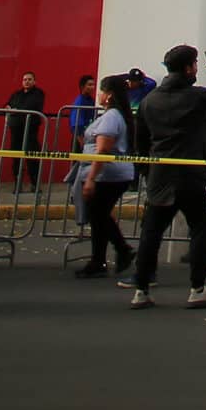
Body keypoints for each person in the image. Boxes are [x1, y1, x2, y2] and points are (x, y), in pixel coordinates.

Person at [131, 45, 206, 307]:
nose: (196, 68)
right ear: (188, 68)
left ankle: (141, 289)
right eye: (194, 64)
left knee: (152, 232)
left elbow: (141, 142)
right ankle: (197, 287)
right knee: (200, 228)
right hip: (190, 172)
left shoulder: (150, 101)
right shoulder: (196, 96)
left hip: (160, 174)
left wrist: (147, 173)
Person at [72, 75, 138, 278]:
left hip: (108, 175)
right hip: (109, 174)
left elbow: (103, 151)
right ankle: (99, 259)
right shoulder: (112, 115)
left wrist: (91, 178)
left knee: (98, 214)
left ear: (109, 95)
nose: (98, 95)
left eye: (101, 90)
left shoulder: (111, 117)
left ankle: (120, 249)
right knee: (99, 216)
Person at [5, 71, 48, 187]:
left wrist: (16, 110)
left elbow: (31, 106)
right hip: (16, 130)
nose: (27, 81)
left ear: (34, 81)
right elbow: (8, 105)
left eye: (29, 79)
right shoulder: (17, 94)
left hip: (30, 130)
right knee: (16, 157)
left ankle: (35, 184)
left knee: (32, 157)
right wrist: (11, 108)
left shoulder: (38, 94)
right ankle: (17, 183)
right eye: (25, 80)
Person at [67, 75, 99, 144]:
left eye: (93, 85)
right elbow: (76, 123)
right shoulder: (79, 101)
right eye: (89, 85)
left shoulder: (92, 101)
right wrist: (81, 141)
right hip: (80, 138)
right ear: (82, 87)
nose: (92, 87)